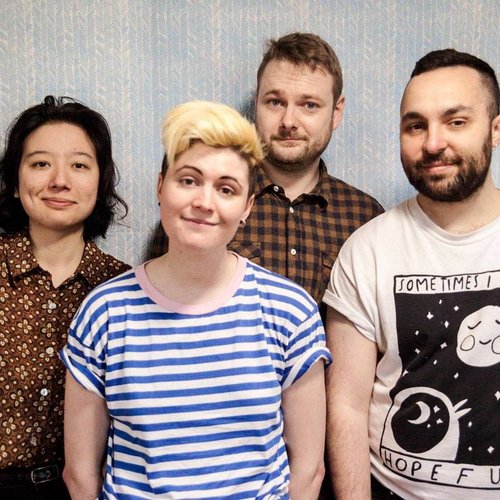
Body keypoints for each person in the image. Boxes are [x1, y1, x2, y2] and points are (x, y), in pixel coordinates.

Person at [62, 101, 331, 499]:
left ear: (246, 207)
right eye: (188, 180)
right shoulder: (105, 312)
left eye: (226, 189)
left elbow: (308, 470)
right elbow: (80, 475)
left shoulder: (290, 311)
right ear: (160, 187)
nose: (205, 202)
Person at [324, 48, 500, 499]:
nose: (433, 143)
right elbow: (346, 406)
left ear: (495, 129)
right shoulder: (367, 250)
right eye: (416, 125)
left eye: (456, 122)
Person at [148, 32, 383, 312]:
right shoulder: (200, 211)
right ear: (256, 103)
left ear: (336, 111)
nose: (289, 121)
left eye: (309, 105)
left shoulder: (365, 218)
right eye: (275, 102)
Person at [0, 96, 130, 499]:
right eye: (40, 164)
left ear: (100, 182)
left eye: (79, 165)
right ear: (15, 181)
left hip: (88, 489)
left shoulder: (125, 289)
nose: (60, 180)